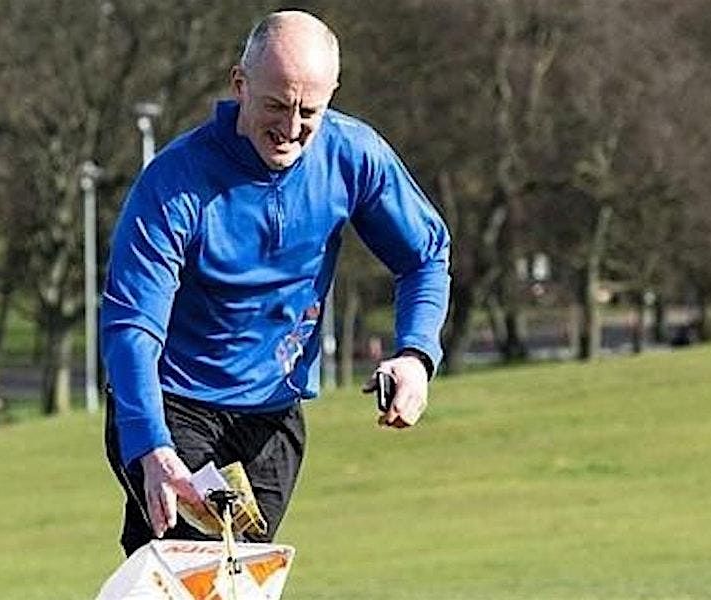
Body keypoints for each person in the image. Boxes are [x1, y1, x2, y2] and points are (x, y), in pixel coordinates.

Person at [101, 10, 450, 556]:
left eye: (309, 111)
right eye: (275, 106)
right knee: (195, 570)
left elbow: (425, 255)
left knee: (241, 579)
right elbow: (132, 323)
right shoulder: (175, 182)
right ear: (240, 84)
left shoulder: (354, 156)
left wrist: (415, 354)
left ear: (332, 96)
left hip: (272, 415)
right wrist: (150, 444)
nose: (290, 128)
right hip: (173, 404)